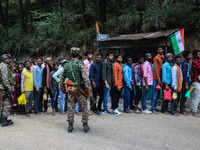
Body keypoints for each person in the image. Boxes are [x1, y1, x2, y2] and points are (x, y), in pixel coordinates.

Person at [60, 47, 92, 133]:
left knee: (70, 107)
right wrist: (89, 91)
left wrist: (63, 89)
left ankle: (70, 125)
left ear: (70, 54)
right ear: (78, 54)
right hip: (79, 89)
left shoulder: (66, 64)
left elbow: (62, 78)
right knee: (84, 107)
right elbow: (86, 79)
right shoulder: (80, 63)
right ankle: (85, 125)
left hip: (70, 89)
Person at [0, 54, 15, 127]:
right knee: (8, 104)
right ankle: (4, 119)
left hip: (2, 87)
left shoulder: (2, 65)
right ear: (4, 59)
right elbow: (4, 78)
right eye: (8, 59)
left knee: (2, 103)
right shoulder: (4, 66)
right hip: (4, 87)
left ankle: (1, 118)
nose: (9, 60)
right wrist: (9, 88)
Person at [151, 46, 165, 114]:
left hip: (162, 78)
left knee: (158, 94)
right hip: (156, 78)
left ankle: (155, 107)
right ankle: (153, 108)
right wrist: (159, 80)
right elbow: (156, 70)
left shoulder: (163, 57)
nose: (160, 50)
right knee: (155, 94)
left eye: (161, 49)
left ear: (163, 50)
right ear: (157, 51)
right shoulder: (156, 58)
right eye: (158, 49)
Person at [180, 51, 192, 115]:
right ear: (185, 56)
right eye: (189, 55)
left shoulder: (188, 63)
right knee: (183, 96)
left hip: (188, 81)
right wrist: (186, 84)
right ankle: (182, 109)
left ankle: (183, 108)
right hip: (185, 83)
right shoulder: (185, 63)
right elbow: (184, 74)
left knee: (186, 96)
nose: (190, 56)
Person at [190, 50, 200, 117]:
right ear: (195, 55)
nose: (199, 55)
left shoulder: (196, 61)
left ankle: (192, 108)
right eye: (199, 54)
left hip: (194, 81)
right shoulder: (195, 62)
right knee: (197, 96)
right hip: (196, 81)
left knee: (193, 95)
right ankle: (194, 111)